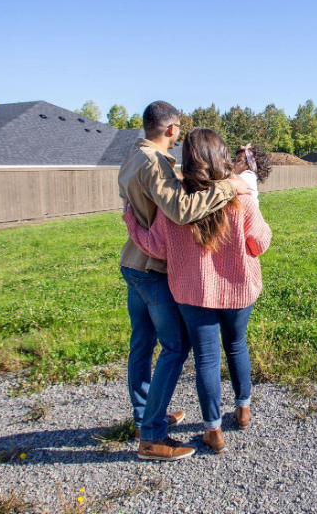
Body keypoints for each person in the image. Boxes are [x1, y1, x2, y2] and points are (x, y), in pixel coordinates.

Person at [123, 128, 272, 454]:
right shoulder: (241, 199)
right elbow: (260, 243)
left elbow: (155, 248)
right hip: (238, 292)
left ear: (187, 162)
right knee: (236, 345)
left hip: (192, 295)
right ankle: (243, 409)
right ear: (222, 160)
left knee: (206, 359)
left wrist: (130, 220)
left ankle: (213, 432)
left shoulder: (174, 206)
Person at [233, 143, 272, 208]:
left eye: (238, 160)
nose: (234, 163)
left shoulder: (249, 175)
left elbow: (234, 183)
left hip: (250, 214)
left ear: (249, 164)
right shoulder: (247, 175)